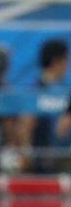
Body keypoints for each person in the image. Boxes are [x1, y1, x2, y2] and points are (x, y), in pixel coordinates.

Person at [21, 40, 68, 173]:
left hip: (56, 160)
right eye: (66, 60)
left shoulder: (62, 90)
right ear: (56, 61)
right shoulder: (36, 90)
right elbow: (25, 126)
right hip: (42, 164)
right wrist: (27, 157)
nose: (67, 66)